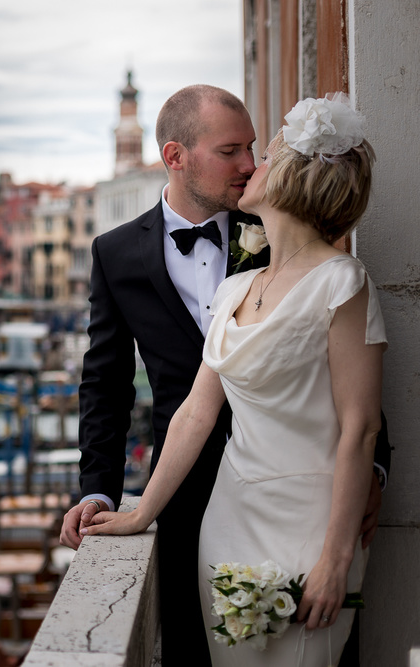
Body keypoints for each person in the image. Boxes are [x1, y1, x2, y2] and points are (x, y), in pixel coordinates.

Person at [58, 85, 389, 667]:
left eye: (255, 150)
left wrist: (373, 473)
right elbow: (109, 386)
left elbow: (355, 400)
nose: (248, 165)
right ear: (176, 156)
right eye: (230, 151)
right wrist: (108, 495)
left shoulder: (296, 239)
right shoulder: (119, 254)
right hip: (193, 502)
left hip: (311, 501)